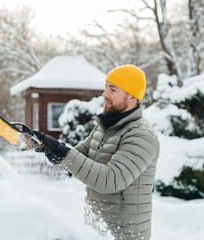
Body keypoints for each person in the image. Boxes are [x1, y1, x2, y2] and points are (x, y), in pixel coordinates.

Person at [33, 64, 160, 240]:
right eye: (105, 87)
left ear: (132, 97)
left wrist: (63, 154)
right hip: (96, 230)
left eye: (113, 89)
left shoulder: (142, 135)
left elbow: (110, 180)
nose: (104, 94)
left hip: (123, 235)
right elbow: (81, 156)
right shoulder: (105, 127)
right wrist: (49, 146)